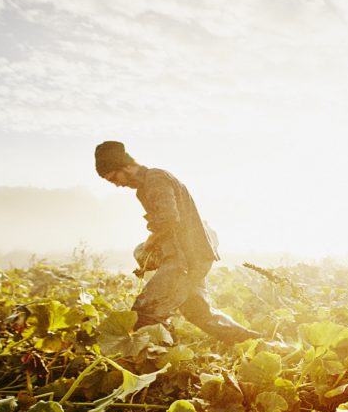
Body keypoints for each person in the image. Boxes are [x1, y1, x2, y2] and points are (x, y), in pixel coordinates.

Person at [94, 141, 261, 345]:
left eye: (114, 177)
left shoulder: (155, 178)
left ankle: (160, 361)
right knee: (200, 313)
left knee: (146, 313)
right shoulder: (144, 187)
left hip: (185, 259)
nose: (117, 184)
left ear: (126, 165)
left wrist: (150, 241)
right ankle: (258, 343)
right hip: (192, 257)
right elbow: (170, 224)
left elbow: (168, 218)